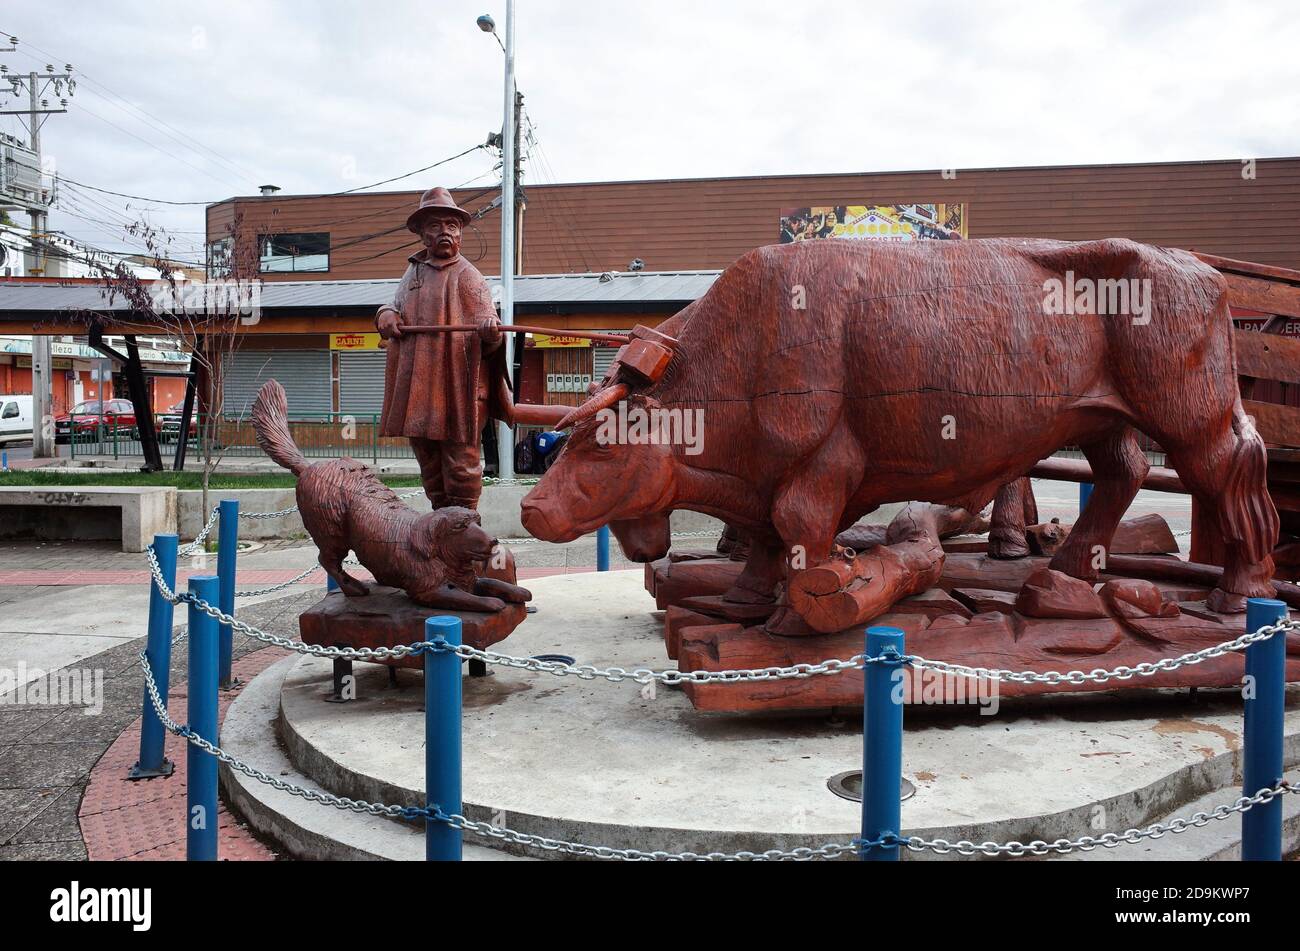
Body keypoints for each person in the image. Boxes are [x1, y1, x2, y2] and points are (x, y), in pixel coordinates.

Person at [375, 186, 506, 509]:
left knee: (460, 457)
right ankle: (440, 518)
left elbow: (490, 327)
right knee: (427, 455)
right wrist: (386, 314)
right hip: (419, 384)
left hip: (457, 387)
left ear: (460, 233)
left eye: (452, 225)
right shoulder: (414, 271)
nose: (445, 232)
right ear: (423, 235)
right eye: (435, 225)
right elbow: (392, 305)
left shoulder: (469, 276)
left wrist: (491, 332)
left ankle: (463, 522)